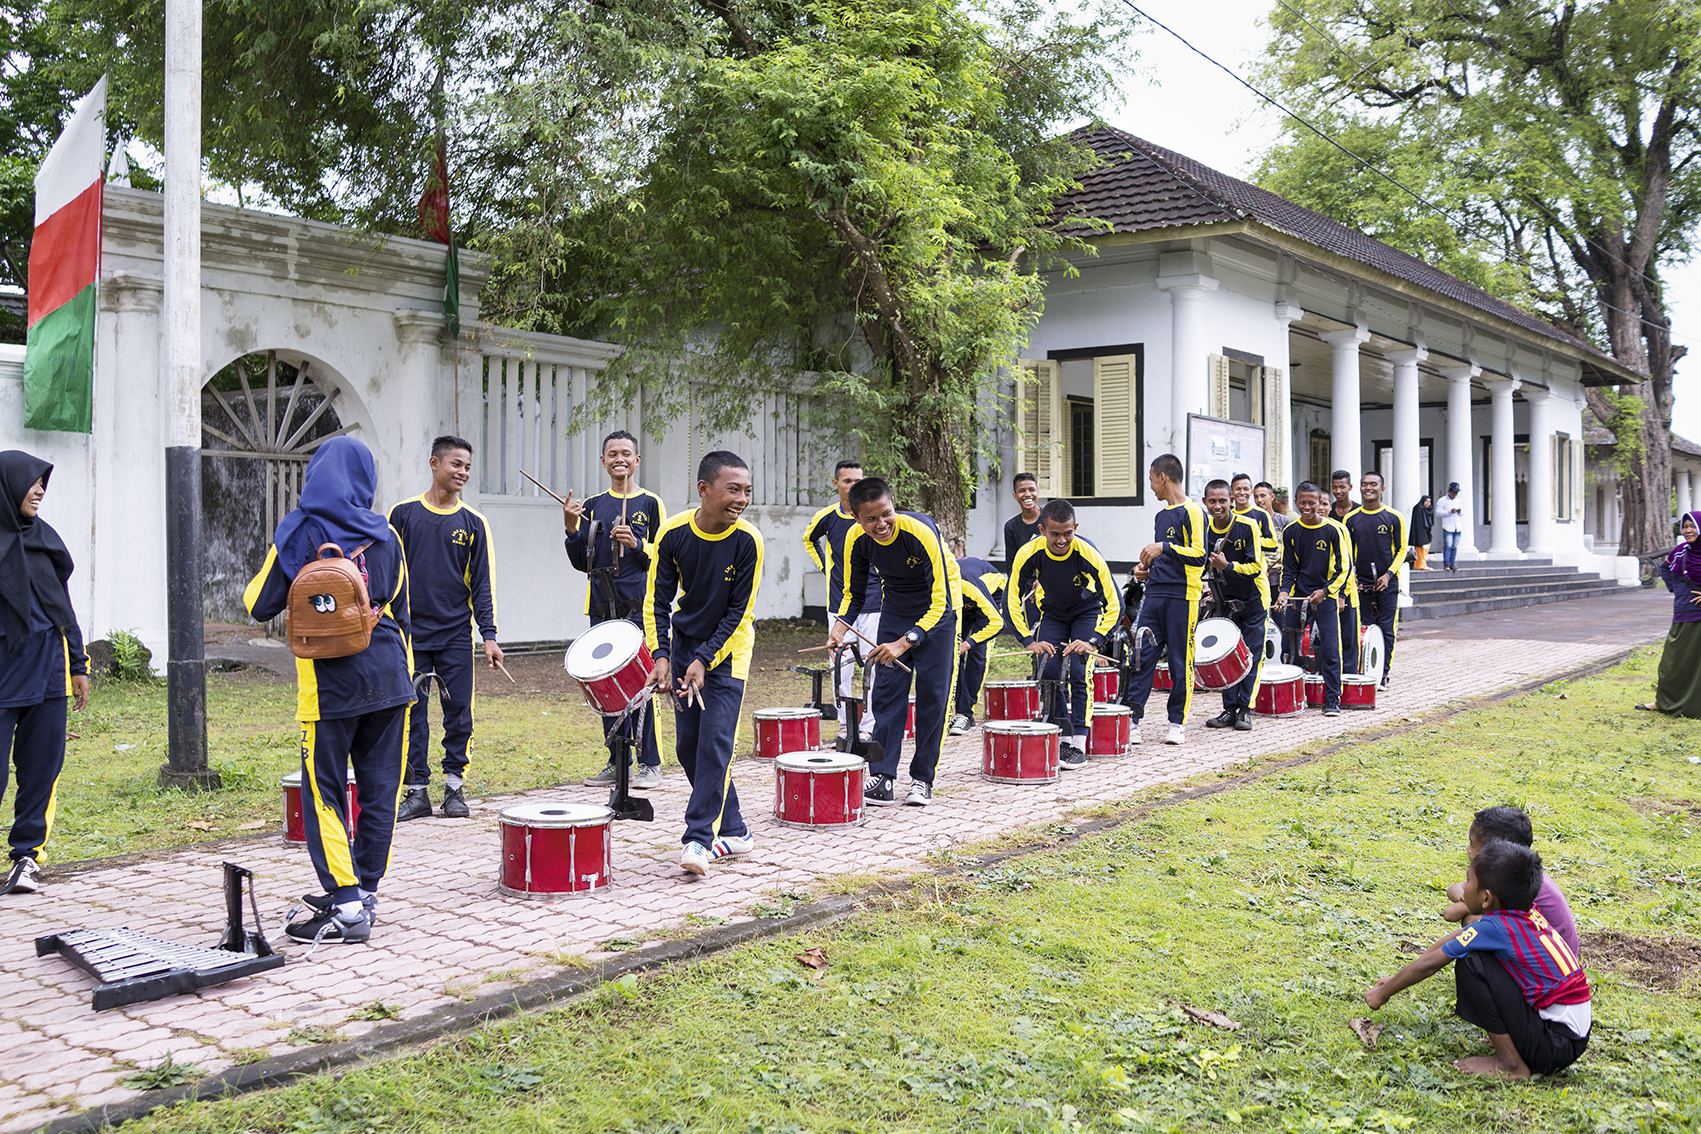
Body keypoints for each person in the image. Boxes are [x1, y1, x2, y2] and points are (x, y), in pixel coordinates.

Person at [245, 437, 414, 943]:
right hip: (389, 676)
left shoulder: (302, 527)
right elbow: (403, 610)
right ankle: (364, 892)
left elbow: (259, 602)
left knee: (324, 792)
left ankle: (344, 907)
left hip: (330, 686)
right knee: (381, 791)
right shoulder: (386, 533)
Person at [1362, 840, 1590, 1079]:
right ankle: (1514, 1052)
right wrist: (1394, 979)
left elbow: (1431, 965)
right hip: (1568, 1038)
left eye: (1468, 881)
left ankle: (1510, 1064)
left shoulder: (1498, 927)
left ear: (1486, 899)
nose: (1464, 887)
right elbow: (1456, 938)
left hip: (1554, 1044)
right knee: (1475, 954)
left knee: (1472, 963)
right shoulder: (1522, 914)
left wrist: (1383, 994)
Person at [643, 451, 763, 876]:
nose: (743, 499)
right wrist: (661, 656)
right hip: (684, 648)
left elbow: (739, 613)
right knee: (688, 748)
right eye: (734, 489)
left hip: (728, 653)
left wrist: (704, 659)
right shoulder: (673, 533)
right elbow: (656, 600)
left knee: (716, 744)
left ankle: (699, 839)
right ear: (704, 489)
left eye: (747, 490)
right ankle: (737, 831)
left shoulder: (748, 540)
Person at [388, 436, 503, 821]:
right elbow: (388, 573)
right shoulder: (402, 515)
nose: (463, 473)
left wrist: (489, 635)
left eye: (468, 467)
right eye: (456, 464)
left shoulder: (474, 523)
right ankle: (416, 791)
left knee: (459, 714)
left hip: (455, 634)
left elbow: (482, 584)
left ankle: (454, 789)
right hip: (409, 636)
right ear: (435, 463)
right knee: (411, 714)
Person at [829, 478, 960, 806]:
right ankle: (883, 776)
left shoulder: (921, 531)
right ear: (857, 518)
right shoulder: (855, 538)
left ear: (893, 505)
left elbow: (941, 600)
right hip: (896, 608)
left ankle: (922, 779)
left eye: (886, 514)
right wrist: (840, 628)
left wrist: (906, 642)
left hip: (938, 612)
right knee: (886, 695)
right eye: (870, 519)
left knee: (933, 697)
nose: (880, 524)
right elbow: (854, 593)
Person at [0, 453, 89, 896]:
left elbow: (62, 609)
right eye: (30, 483)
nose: (38, 490)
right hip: (2, 676)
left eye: (42, 484)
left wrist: (79, 664)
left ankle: (27, 857)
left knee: (41, 770)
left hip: (49, 673)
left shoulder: (44, 540)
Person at [567, 430, 669, 788]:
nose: (619, 459)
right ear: (603, 461)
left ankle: (650, 764)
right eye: (612, 454)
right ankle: (616, 761)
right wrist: (570, 527)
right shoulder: (593, 505)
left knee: (641, 684)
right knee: (604, 683)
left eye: (626, 453)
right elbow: (582, 560)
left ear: (636, 460)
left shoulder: (650, 503)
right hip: (600, 603)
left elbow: (665, 558)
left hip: (638, 606)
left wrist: (638, 543)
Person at [1009, 500, 1120, 766]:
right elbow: (1011, 599)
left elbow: (1115, 602)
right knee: (1047, 670)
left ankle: (1079, 741)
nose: (1061, 540)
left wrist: (1094, 641)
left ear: (1075, 527)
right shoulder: (1028, 553)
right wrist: (1027, 640)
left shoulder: (1088, 553)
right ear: (1042, 530)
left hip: (1086, 612)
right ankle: (1062, 733)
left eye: (1068, 533)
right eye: (1055, 534)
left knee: (1080, 671)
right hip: (1053, 614)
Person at [1120, 454, 1206, 746]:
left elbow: (1199, 555)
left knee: (1181, 662)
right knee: (1141, 658)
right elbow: (1164, 556)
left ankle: (1177, 723)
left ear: (1162, 476)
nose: (1151, 486)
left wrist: (1164, 547)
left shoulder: (1192, 511)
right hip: (1154, 595)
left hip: (1183, 596)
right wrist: (1145, 570)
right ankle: (1133, 720)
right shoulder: (1161, 516)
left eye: (1151, 479)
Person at [804, 459, 882, 740]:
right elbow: (808, 540)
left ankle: (868, 727)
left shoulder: (873, 515)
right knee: (840, 666)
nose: (853, 486)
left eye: (858, 481)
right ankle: (844, 725)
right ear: (836, 483)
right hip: (838, 605)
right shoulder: (826, 516)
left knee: (873, 665)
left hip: (874, 602)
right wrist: (825, 567)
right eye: (847, 481)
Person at [1441, 806, 1580, 959]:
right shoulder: (1520, 872)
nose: (1468, 849)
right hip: (1554, 954)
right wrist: (1466, 898)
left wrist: (1468, 902)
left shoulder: (1520, 881)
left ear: (1496, 851)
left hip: (1551, 958)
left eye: (1473, 844)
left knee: (1474, 922)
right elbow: (1453, 889)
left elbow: (1451, 913)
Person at [1275, 481, 1351, 717]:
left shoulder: (1332, 530)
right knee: (1288, 648)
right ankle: (1289, 698)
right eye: (1303, 502)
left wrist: (1327, 592)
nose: (1307, 507)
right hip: (1299, 598)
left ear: (1320, 503)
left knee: (1329, 648)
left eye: (1312, 502)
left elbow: (1344, 568)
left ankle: (1332, 700)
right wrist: (1284, 592)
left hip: (1325, 597)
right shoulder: (1291, 532)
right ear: (1296, 502)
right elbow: (1289, 568)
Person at [1202, 480, 1268, 731]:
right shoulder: (1204, 529)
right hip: (1224, 602)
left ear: (1231, 500)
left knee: (1250, 655)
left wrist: (1227, 566)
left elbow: (1256, 567)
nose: (1217, 506)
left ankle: (1245, 710)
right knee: (1226, 655)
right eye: (1212, 501)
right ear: (1205, 502)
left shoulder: (1247, 526)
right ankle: (1229, 709)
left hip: (1253, 600)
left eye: (1222, 501)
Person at [1342, 472, 1407, 687]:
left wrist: (1389, 575)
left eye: (1373, 484)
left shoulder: (1393, 517)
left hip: (1388, 583)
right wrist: (1353, 580)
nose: (1368, 488)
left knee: (1387, 629)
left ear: (1382, 489)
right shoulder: (1350, 519)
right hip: (1361, 585)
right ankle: (1366, 673)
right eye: (1364, 484)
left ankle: (1383, 675)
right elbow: (1347, 554)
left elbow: (1402, 550)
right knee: (1364, 629)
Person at [1640, 510, 1701, 716]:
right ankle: (1665, 702)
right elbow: (1665, 569)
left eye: (1692, 526)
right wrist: (1677, 589)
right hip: (1683, 613)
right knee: (1673, 664)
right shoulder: (1681, 551)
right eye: (1685, 526)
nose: (1688, 530)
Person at [949, 556, 1006, 737]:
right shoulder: (936, 583)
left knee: (977, 654)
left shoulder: (967, 582)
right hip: (963, 604)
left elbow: (996, 623)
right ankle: (955, 709)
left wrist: (969, 643)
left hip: (991, 600)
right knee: (953, 653)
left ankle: (966, 713)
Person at [1002, 472, 1043, 574]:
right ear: (1015, 496)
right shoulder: (1011, 527)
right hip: (1025, 585)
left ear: (1038, 493)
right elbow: (1011, 564)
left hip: (1050, 581)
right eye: (1022, 491)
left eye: (1032, 490)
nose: (1028, 494)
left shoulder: (1051, 518)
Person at [1436, 482, 1467, 572]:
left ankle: (1452, 563)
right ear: (1449, 491)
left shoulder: (1458, 501)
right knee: (1448, 545)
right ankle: (1446, 563)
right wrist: (1449, 511)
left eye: (1456, 493)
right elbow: (1438, 513)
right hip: (1448, 526)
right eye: (1453, 492)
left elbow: (1462, 513)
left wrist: (1459, 511)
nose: (1454, 494)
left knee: (1454, 546)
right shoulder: (1442, 501)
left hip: (1457, 526)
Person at [1410, 494, 1435, 569]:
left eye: (1429, 501)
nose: (1428, 503)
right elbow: (1418, 523)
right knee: (1421, 548)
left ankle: (1422, 564)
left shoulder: (1428, 510)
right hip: (1420, 533)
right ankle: (1421, 565)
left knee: (1425, 547)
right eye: (1426, 501)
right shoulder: (1418, 509)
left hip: (1426, 532)